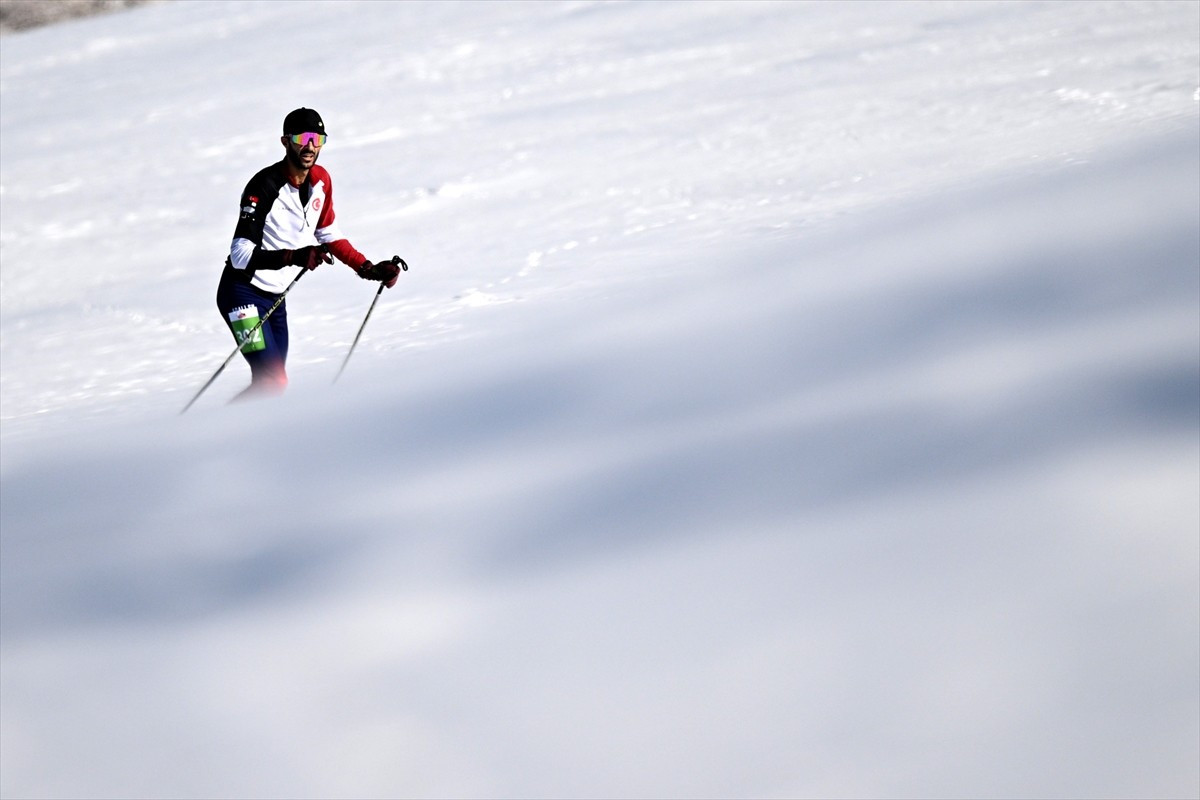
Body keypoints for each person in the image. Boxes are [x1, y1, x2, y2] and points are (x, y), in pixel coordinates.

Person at [216, 107, 402, 399]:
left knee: (272, 386)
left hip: (275, 298)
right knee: (273, 382)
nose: (311, 146)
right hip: (242, 294)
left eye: (318, 139)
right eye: (302, 138)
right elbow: (240, 255)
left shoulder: (321, 181)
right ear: (285, 141)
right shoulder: (264, 185)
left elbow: (328, 233)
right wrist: (294, 256)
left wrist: (367, 268)